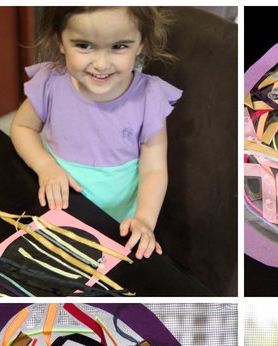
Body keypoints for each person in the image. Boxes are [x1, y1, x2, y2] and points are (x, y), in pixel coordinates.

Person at [10, 7, 180, 259]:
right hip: (55, 208)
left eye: (119, 46)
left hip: (116, 223)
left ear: (141, 43)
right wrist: (45, 166)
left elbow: (154, 168)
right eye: (84, 45)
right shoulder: (50, 82)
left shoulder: (148, 98)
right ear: (60, 40)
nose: (101, 64)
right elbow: (22, 127)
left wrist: (144, 219)